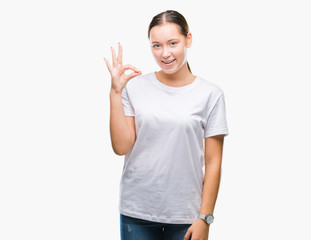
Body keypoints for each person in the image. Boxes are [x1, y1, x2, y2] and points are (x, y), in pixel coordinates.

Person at [104, 10, 229, 240]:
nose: (165, 53)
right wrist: (115, 92)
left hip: (186, 217)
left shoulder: (211, 94)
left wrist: (205, 218)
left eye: (173, 43)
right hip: (137, 212)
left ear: (188, 39)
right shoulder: (135, 87)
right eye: (157, 46)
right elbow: (121, 147)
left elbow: (213, 162)